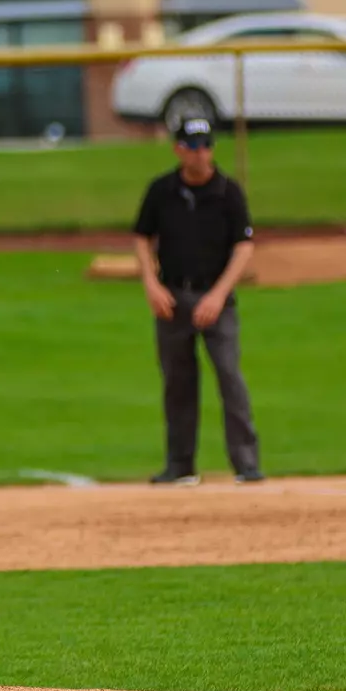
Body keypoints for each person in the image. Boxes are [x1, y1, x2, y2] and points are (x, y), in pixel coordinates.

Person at [132, 117, 262, 485]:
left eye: (205, 146)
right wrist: (151, 283)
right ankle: (180, 465)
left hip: (215, 296)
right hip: (172, 296)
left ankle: (247, 462)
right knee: (177, 382)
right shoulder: (162, 190)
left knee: (229, 376)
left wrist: (219, 294)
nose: (200, 153)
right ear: (178, 149)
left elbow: (244, 245)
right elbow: (142, 236)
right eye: (192, 146)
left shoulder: (227, 192)